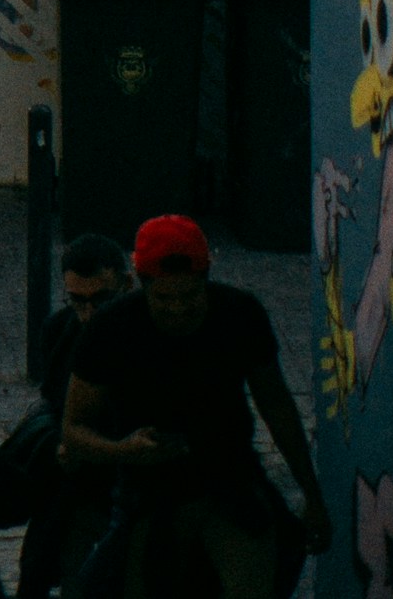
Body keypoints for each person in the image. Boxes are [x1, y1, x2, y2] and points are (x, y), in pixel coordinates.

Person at [60, 214, 332, 599]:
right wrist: (125, 451)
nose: (178, 310)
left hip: (230, 476)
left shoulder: (239, 313)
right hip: (148, 488)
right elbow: (73, 430)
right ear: (141, 285)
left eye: (189, 296)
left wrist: (312, 495)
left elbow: (278, 407)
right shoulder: (110, 328)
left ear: (206, 279)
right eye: (164, 299)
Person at [7, 236, 131, 596]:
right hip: (73, 482)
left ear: (125, 285)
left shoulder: (136, 332)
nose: (90, 313)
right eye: (79, 300)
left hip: (121, 481)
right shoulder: (60, 330)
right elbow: (55, 400)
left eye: (101, 299)